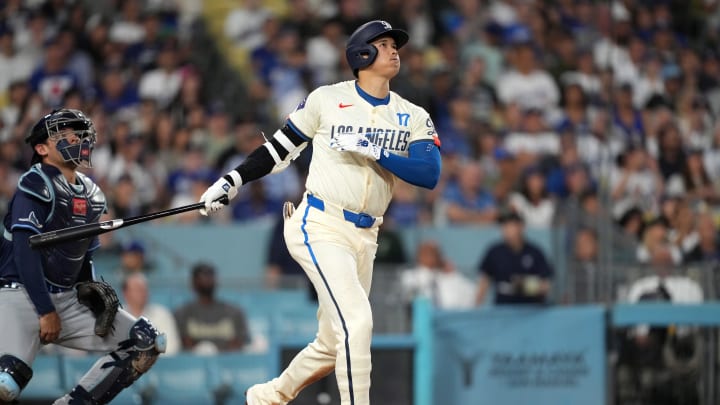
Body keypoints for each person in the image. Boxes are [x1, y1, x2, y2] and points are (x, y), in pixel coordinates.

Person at [198, 20, 441, 405]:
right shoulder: (326, 99)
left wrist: (375, 149)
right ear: (361, 53)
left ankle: (269, 395)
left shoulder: (411, 114)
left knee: (332, 344)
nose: (395, 50)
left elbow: (429, 174)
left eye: (396, 44)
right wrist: (233, 179)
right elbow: (279, 148)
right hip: (320, 223)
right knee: (358, 323)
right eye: (383, 43)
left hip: (367, 235)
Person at [0, 108, 166, 404]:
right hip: (20, 294)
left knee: (146, 342)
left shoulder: (93, 194)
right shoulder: (35, 183)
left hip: (65, 299)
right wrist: (44, 310)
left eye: (79, 133)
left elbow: (82, 254)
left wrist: (88, 287)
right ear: (41, 148)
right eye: (65, 135)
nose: (77, 139)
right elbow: (26, 252)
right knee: (6, 384)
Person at [475, 210, 554, 305]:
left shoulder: (535, 252)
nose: (506, 230)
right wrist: (476, 307)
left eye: (510, 225)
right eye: (504, 226)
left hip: (531, 310)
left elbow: (546, 285)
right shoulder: (494, 252)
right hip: (503, 311)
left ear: (521, 227)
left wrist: (523, 286)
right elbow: (484, 282)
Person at [173, 262, 250, 353]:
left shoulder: (234, 312)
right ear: (193, 282)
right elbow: (183, 344)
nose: (207, 280)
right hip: (194, 365)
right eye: (202, 276)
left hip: (227, 365)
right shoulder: (181, 314)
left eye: (210, 276)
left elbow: (239, 342)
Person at [400, 240, 475, 309]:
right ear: (419, 256)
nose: (430, 257)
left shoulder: (449, 276)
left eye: (434, 253)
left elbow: (472, 295)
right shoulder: (410, 276)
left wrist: (453, 274)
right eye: (426, 252)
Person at [121, 272, 181, 355]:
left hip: (159, 365)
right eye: (138, 289)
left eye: (144, 289)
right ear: (126, 293)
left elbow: (171, 348)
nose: (143, 293)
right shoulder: (116, 316)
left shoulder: (162, 314)